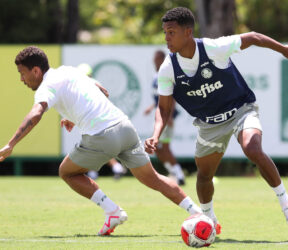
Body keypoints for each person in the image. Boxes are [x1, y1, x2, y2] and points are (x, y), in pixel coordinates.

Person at [0, 46, 202, 236]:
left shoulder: (46, 86)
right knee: (154, 179)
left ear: (36, 71)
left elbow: (36, 114)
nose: (21, 79)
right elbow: (102, 90)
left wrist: (12, 143)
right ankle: (200, 214)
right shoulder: (68, 71)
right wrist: (73, 116)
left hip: (102, 136)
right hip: (125, 127)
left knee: (67, 172)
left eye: (22, 73)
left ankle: (112, 211)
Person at [145, 7, 288, 235]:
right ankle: (208, 217)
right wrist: (156, 135)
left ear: (188, 32)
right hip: (209, 125)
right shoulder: (168, 68)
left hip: (241, 110)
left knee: (252, 148)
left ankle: (286, 203)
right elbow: (164, 108)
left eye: (171, 32)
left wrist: (283, 50)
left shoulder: (212, 48)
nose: (166, 38)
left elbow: (253, 37)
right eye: (165, 33)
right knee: (204, 175)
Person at [77, 63, 127, 180]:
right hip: (99, 121)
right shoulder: (95, 83)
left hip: (92, 121)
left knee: (90, 146)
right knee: (96, 147)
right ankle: (113, 168)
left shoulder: (82, 85)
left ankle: (95, 172)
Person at [143, 50, 185, 185]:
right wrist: (151, 107)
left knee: (164, 148)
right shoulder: (156, 75)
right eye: (154, 58)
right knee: (158, 149)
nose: (154, 61)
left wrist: (170, 116)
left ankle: (179, 175)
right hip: (160, 115)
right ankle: (174, 173)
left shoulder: (166, 73)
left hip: (165, 117)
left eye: (157, 58)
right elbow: (160, 97)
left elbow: (171, 97)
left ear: (162, 59)